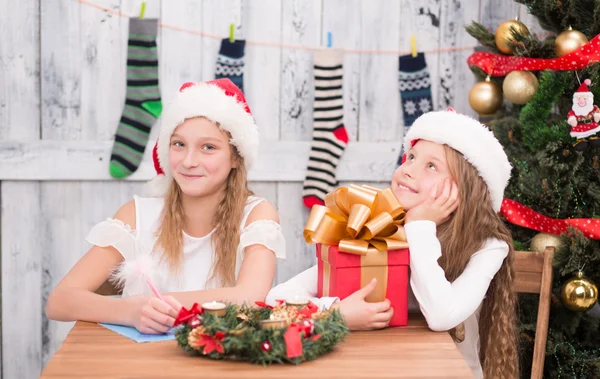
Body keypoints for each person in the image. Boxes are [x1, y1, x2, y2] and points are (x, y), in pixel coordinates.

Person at [267, 108, 518, 379]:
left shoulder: (488, 247)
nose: (408, 170)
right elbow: (277, 298)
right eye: (410, 157)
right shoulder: (379, 230)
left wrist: (420, 226)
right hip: (384, 366)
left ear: (466, 190)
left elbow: (442, 316)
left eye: (431, 166)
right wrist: (337, 313)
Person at [47, 79, 285, 335]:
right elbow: (59, 301)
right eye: (179, 144)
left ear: (236, 157)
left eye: (208, 147)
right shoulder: (136, 215)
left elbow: (249, 297)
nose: (189, 161)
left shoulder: (256, 215)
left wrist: (156, 304)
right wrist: (131, 311)